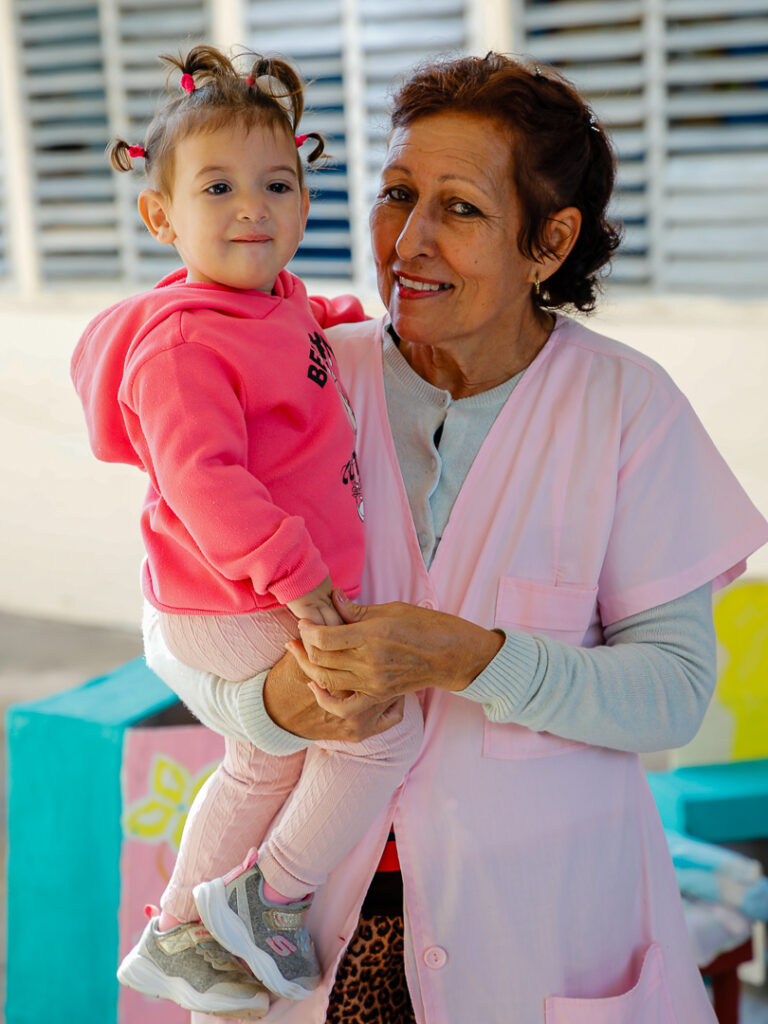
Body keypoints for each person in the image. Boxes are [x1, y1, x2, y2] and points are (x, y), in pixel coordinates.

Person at [143, 52, 768, 1024]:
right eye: (397, 194)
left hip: (546, 933)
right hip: (315, 943)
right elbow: (168, 614)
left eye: (462, 209)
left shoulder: (625, 407)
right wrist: (265, 705)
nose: (409, 240)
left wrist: (474, 659)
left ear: (549, 240)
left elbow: (674, 695)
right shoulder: (302, 368)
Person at [71, 45, 424, 1019]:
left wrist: (385, 332)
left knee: (262, 759)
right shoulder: (185, 342)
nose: (250, 207)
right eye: (217, 186)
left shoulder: (277, 305)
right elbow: (206, 485)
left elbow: (321, 327)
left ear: (305, 206)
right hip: (235, 593)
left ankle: (182, 928)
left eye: (276, 184)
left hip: (237, 591)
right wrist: (307, 587)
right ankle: (266, 898)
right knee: (378, 735)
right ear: (161, 215)